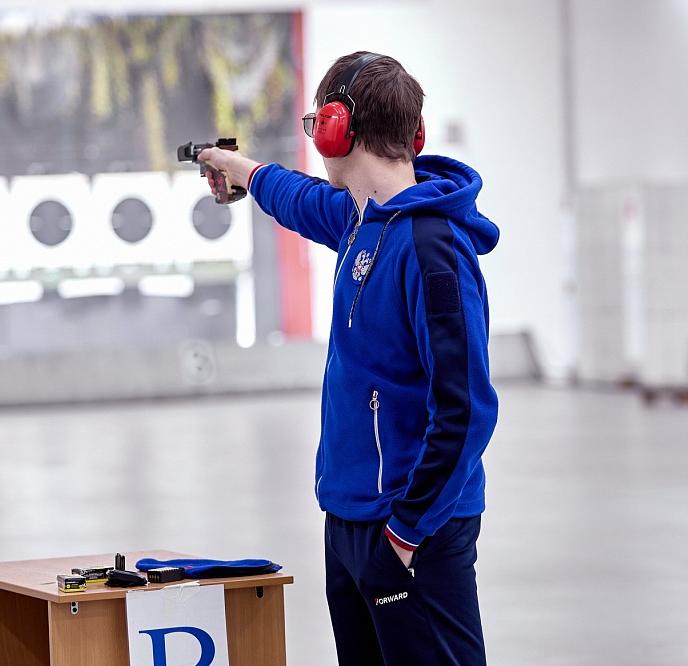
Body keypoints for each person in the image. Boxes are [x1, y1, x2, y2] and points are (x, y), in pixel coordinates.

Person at [199, 51, 499, 666]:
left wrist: (405, 534)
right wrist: (240, 169)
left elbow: (467, 411)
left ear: (339, 130)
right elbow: (298, 197)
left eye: (318, 123)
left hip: (411, 527)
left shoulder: (432, 250)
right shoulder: (361, 219)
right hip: (351, 515)